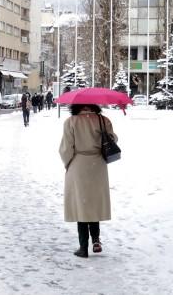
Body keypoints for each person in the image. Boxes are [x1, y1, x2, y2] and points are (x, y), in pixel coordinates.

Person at [58, 103, 116, 258]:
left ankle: (83, 247)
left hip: (79, 163)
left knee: (81, 204)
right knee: (94, 202)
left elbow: (66, 148)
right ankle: (96, 240)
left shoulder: (71, 121)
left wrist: (68, 163)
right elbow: (113, 139)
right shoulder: (103, 120)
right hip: (98, 164)